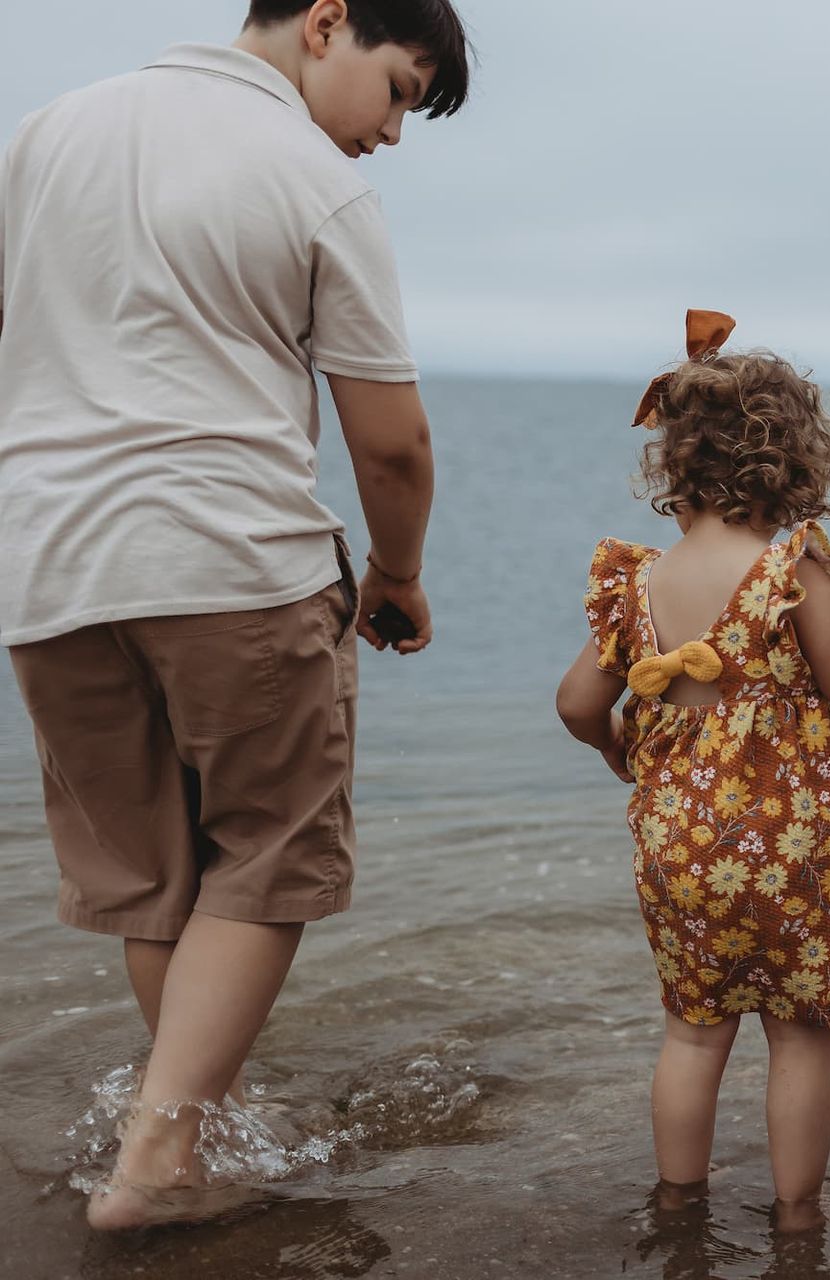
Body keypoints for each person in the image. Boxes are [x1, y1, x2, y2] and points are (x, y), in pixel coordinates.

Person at [0, 0, 470, 1230]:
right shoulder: (310, 174)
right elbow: (393, 439)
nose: (394, 134)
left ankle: (190, 1124)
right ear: (327, 21)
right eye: (403, 90)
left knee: (155, 872)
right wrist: (399, 573)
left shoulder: (46, 131)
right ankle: (161, 1157)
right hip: (231, 555)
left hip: (50, 571)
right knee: (265, 859)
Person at [556, 310, 830, 1228]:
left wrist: (617, 744)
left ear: (674, 467)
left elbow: (578, 703)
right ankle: (797, 1218)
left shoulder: (639, 583)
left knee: (693, 1033)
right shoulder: (789, 574)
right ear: (798, 465)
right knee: (800, 1037)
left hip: (677, 842)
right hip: (788, 847)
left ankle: (678, 1203)